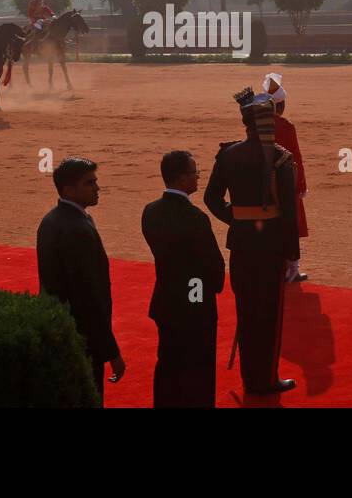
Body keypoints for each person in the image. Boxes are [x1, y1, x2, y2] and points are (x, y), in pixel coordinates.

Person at [203, 87, 298, 395]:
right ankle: (266, 380)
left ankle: (249, 378)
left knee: (246, 313)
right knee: (268, 316)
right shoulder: (281, 159)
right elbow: (288, 212)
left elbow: (211, 198)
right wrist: (291, 253)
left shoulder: (228, 154)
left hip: (241, 244)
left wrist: (238, 216)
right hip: (270, 248)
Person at [36, 157, 125, 404]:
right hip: (83, 336)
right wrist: (112, 352)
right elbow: (89, 297)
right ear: (67, 189)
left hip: (62, 328)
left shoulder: (51, 220)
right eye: (89, 183)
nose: (97, 188)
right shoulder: (76, 229)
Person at [141, 150, 226, 408]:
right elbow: (212, 267)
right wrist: (201, 295)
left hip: (166, 299)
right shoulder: (195, 218)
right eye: (193, 173)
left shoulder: (150, 211)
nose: (197, 178)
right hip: (194, 301)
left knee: (168, 363)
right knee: (198, 368)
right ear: (179, 178)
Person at [263, 72, 310, 282]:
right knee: (291, 224)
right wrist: (300, 185)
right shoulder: (286, 127)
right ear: (280, 106)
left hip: (263, 184)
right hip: (285, 183)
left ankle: (274, 265)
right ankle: (292, 268)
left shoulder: (257, 125)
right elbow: (295, 158)